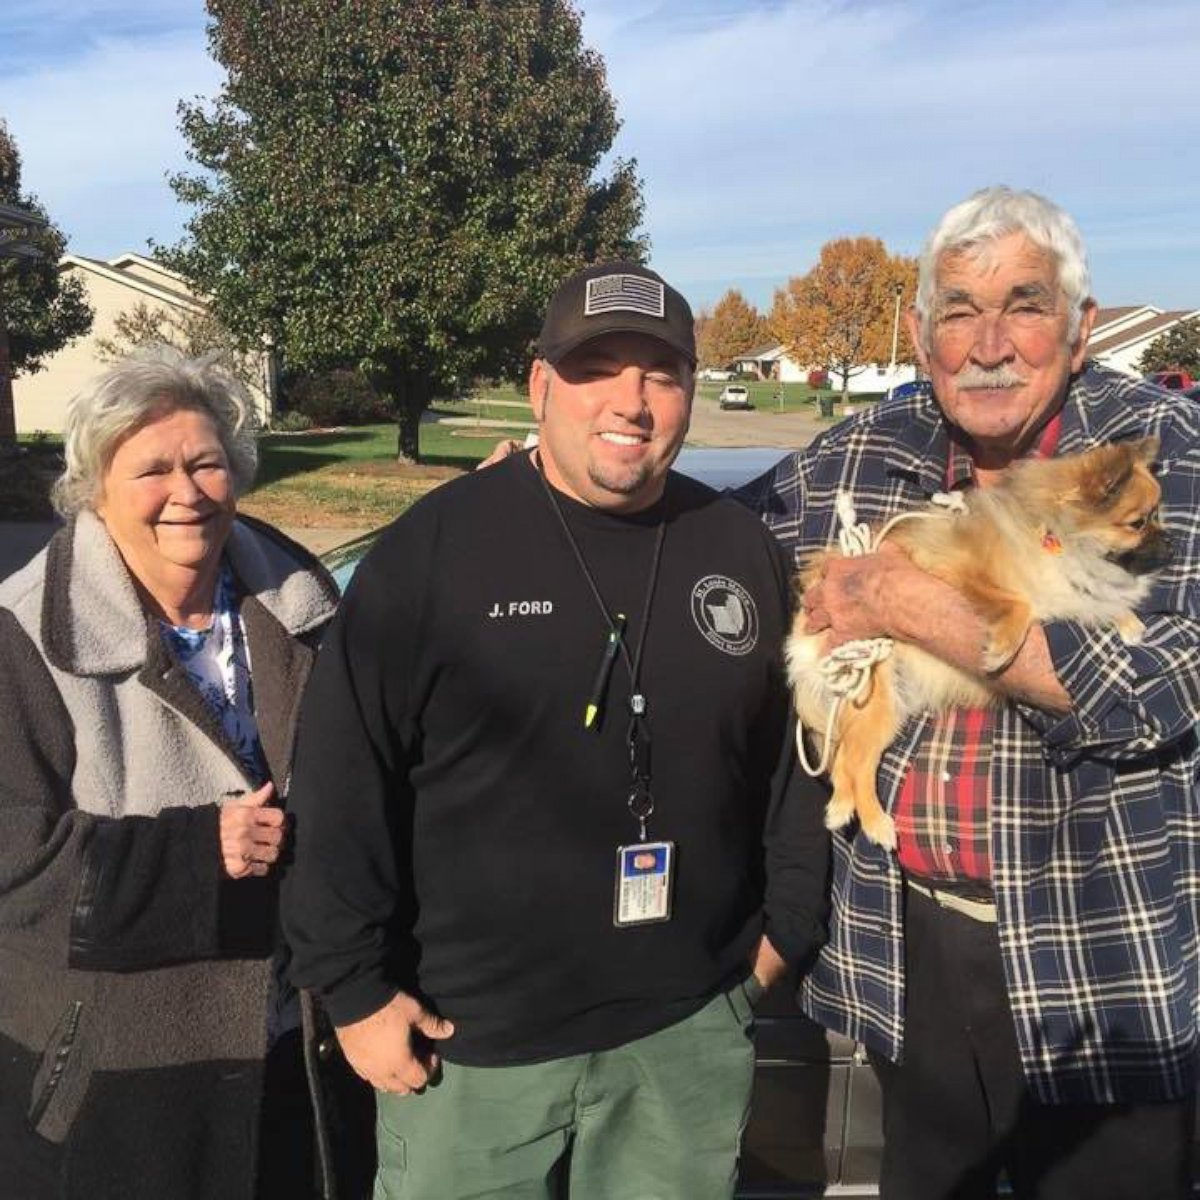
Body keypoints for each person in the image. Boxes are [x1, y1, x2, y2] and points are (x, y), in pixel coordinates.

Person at [281, 261, 830, 1199]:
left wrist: (784, 936)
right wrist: (357, 991)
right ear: (539, 386)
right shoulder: (436, 549)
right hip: (472, 1050)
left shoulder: (739, 549)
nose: (632, 401)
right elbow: (343, 779)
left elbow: (792, 765)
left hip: (685, 1036)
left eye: (660, 374)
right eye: (597, 369)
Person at [735, 186, 1200, 1199]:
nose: (990, 343)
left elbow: (1163, 683)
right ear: (918, 333)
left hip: (1100, 962)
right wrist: (540, 498)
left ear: (1079, 331)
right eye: (957, 311)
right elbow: (710, 554)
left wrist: (911, 601)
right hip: (913, 952)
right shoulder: (862, 452)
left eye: (1024, 305)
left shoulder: (1164, 457)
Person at [0, 347, 373, 1200]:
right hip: (121, 1073)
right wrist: (194, 854)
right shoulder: (24, 635)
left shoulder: (297, 600)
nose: (187, 491)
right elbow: (10, 852)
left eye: (207, 462)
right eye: (152, 469)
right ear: (95, 488)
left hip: (297, 1043)